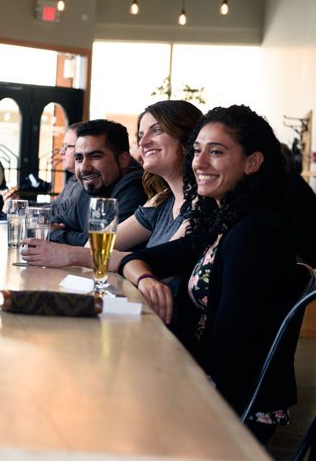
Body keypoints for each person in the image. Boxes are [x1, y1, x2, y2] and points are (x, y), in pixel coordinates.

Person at [119, 105, 303, 443]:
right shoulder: (220, 224)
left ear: (252, 163)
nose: (199, 163)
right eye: (197, 150)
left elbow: (230, 352)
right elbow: (135, 259)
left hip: (228, 409)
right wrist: (145, 277)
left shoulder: (256, 234)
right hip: (205, 385)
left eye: (216, 152)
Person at [24, 102, 202, 289]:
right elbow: (95, 249)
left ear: (189, 138)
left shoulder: (202, 205)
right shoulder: (160, 200)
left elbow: (159, 266)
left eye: (156, 130)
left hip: (161, 316)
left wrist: (70, 253)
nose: (142, 143)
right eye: (140, 136)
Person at [47, 119, 147, 246]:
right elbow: (55, 222)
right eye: (79, 158)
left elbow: (106, 244)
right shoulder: (89, 190)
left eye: (95, 156)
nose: (84, 167)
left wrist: (59, 234)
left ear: (123, 160)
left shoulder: (135, 187)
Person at [49, 122, 83, 220]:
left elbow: (63, 211)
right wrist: (21, 204)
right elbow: (55, 206)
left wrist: (22, 208)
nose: (61, 152)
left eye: (66, 147)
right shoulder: (73, 178)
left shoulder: (87, 182)